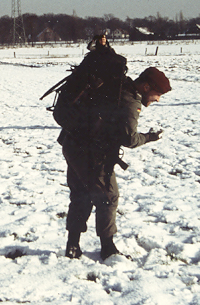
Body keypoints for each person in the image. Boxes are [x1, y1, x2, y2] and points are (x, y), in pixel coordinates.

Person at [60, 66, 171, 261]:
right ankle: (108, 249)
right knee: (108, 198)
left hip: (72, 145)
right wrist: (150, 137)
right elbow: (129, 139)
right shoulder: (130, 100)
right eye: (157, 94)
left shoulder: (117, 89)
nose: (157, 100)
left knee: (81, 195)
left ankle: (72, 245)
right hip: (92, 155)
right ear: (146, 87)